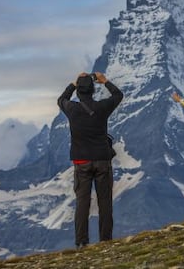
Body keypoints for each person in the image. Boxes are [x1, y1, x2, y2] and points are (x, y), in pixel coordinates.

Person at [57, 72, 123, 248]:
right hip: (102, 159)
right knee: (105, 202)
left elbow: (61, 99)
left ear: (78, 92)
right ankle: (106, 241)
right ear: (93, 90)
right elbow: (118, 95)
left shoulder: (72, 109)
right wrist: (105, 81)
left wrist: (73, 83)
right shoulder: (102, 107)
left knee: (82, 203)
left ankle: (81, 242)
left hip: (81, 161)